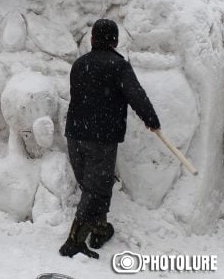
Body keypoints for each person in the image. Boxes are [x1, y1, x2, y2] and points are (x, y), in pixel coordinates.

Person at [59, 19, 160, 259]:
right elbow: (136, 95)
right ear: (115, 41)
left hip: (75, 135)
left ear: (93, 39)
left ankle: (99, 228)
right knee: (97, 189)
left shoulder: (79, 64)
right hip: (101, 139)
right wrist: (151, 119)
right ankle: (74, 240)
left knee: (91, 186)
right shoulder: (119, 66)